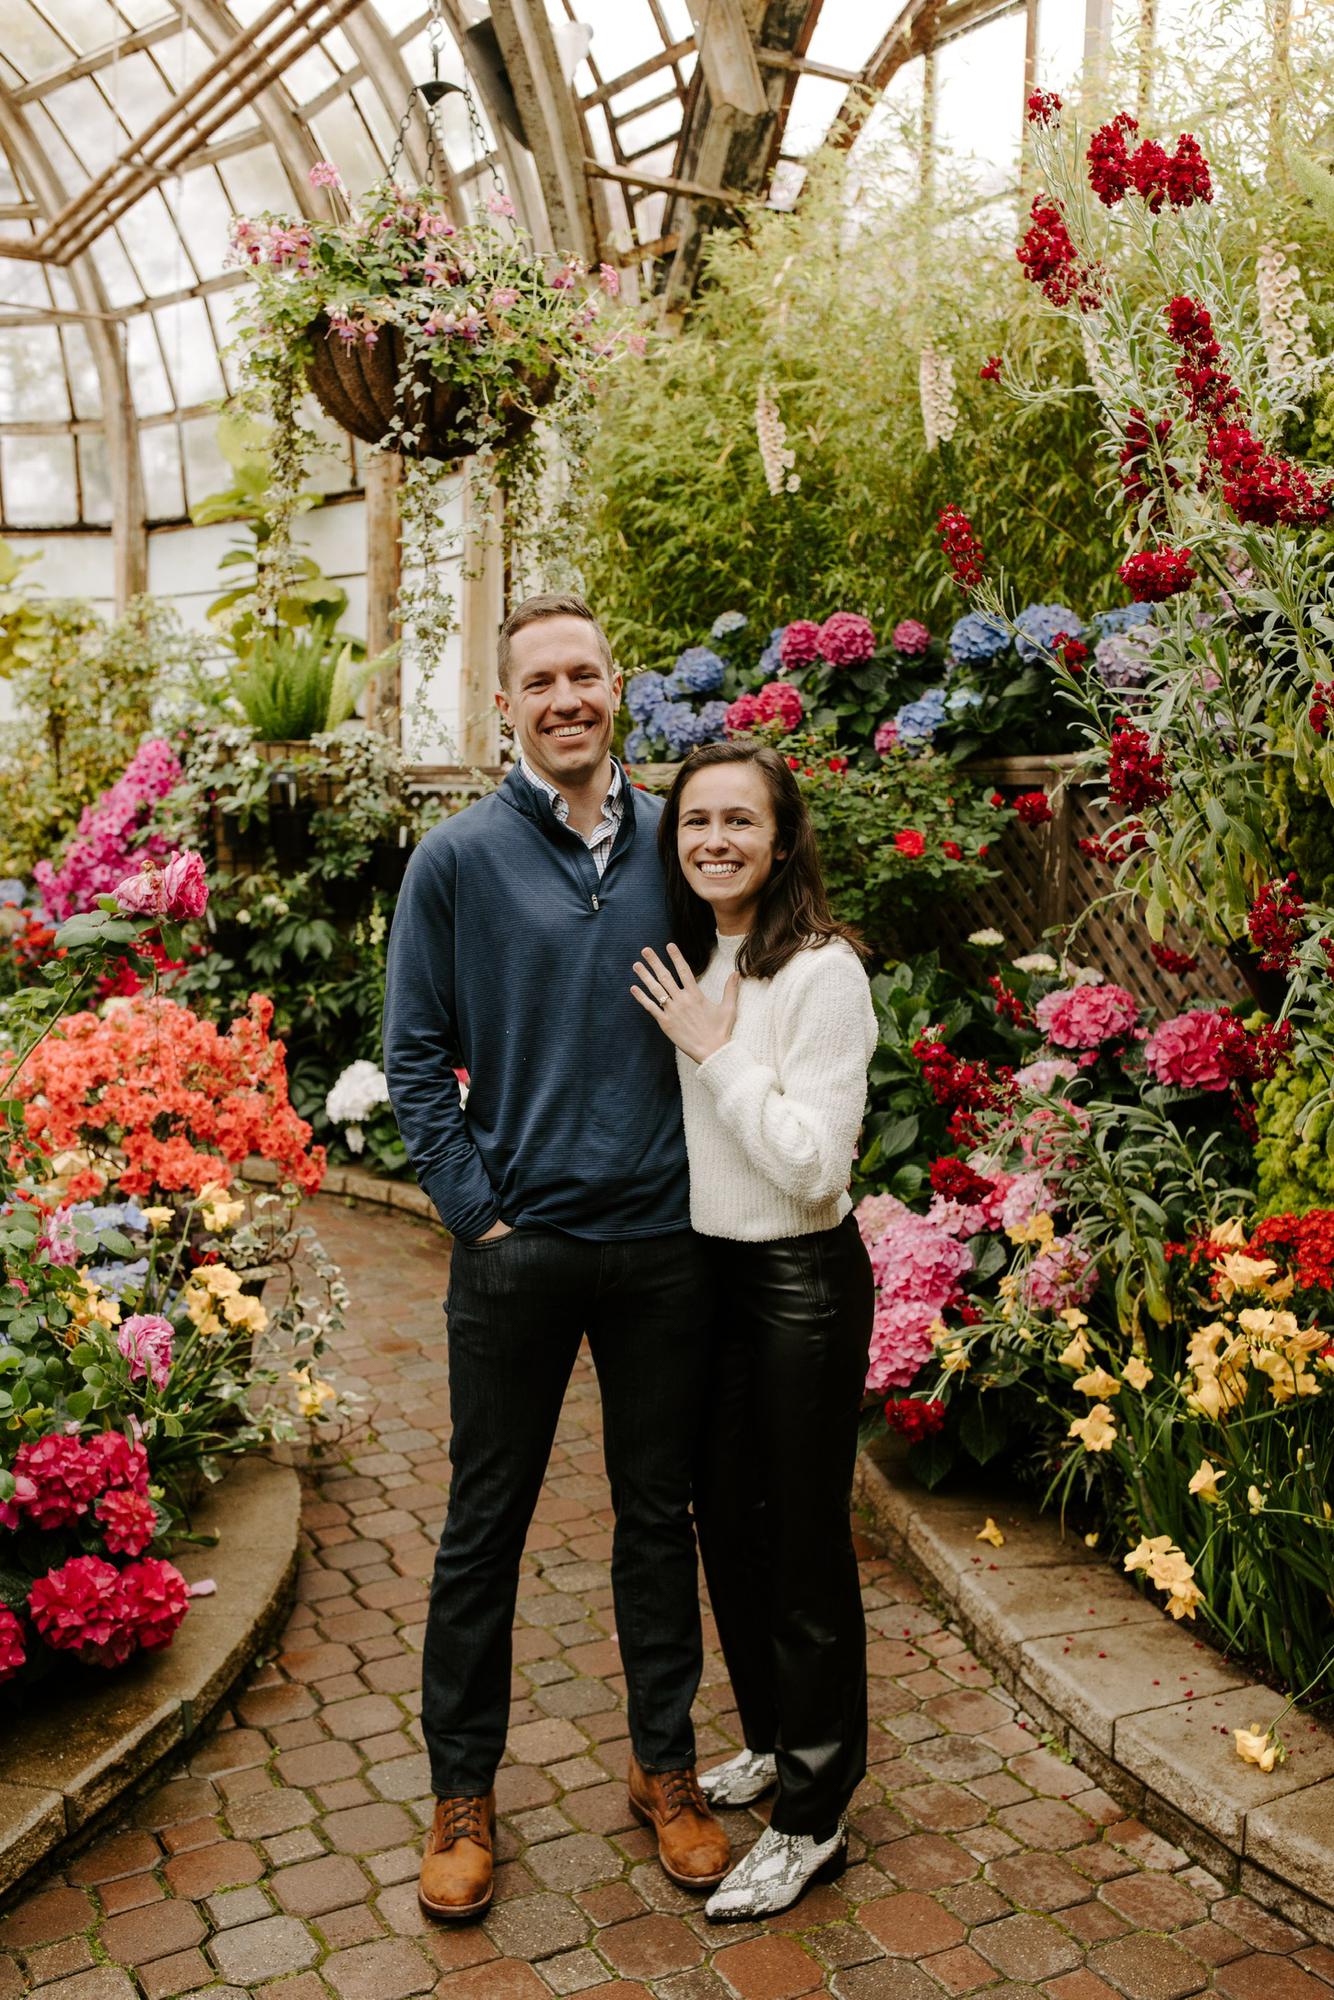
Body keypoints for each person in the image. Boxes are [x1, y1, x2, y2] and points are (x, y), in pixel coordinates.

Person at [383, 593, 729, 1923]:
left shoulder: (677, 843)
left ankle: (665, 1770)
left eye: (585, 674)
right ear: (506, 707)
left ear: (616, 688)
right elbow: (414, 1053)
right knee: (484, 1530)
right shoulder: (456, 861)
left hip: (658, 1245)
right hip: (516, 1254)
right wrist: (476, 1215)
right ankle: (461, 1797)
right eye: (541, 682)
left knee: (657, 1523)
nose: (567, 699)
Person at [629, 738, 877, 1922]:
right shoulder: (692, 955)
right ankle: (776, 1738)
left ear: (782, 840)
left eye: (739, 820)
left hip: (799, 1285)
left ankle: (813, 1813)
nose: (715, 838)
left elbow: (811, 1164)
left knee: (802, 1549)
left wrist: (718, 1051)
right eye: (694, 821)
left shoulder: (822, 972)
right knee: (724, 1524)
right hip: (706, 1281)